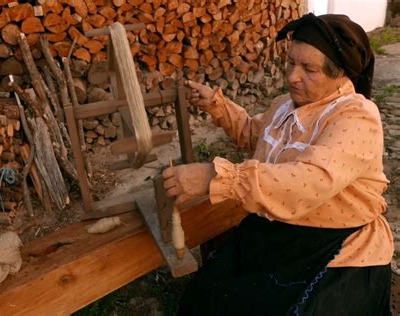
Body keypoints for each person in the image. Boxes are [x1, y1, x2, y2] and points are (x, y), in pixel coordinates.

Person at [162, 13, 393, 315]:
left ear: (340, 74)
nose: (293, 76)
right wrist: (215, 104)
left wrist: (218, 178)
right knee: (205, 297)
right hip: (280, 230)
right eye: (290, 62)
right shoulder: (286, 106)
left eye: (308, 69)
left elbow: (309, 180)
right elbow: (255, 135)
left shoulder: (357, 117)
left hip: (335, 240)